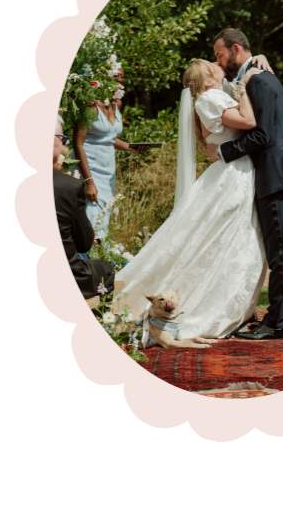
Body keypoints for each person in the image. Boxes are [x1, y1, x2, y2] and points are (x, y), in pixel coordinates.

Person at [112, 58, 269, 339]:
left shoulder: (216, 95)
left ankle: (234, 302)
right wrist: (244, 87)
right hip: (232, 172)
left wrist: (248, 76)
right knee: (222, 236)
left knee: (234, 238)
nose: (218, 63)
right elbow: (248, 121)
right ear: (208, 80)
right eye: (213, 64)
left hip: (237, 168)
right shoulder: (209, 98)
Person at [207, 29, 283, 340]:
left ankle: (276, 322)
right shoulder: (260, 75)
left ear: (236, 49)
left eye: (221, 55)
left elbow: (261, 134)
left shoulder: (259, 80)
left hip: (274, 173)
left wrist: (223, 152)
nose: (218, 62)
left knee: (279, 252)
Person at [71, 64, 148, 244]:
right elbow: (78, 143)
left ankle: (101, 257)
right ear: (103, 78)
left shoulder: (116, 104)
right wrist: (89, 181)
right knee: (90, 213)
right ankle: (88, 258)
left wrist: (132, 147)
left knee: (104, 214)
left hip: (108, 170)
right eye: (116, 76)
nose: (120, 80)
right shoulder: (89, 106)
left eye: (122, 76)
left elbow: (109, 138)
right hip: (89, 168)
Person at [53, 116, 115, 299]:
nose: (65, 146)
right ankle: (103, 324)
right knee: (107, 270)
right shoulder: (68, 186)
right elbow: (84, 243)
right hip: (63, 274)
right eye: (62, 139)